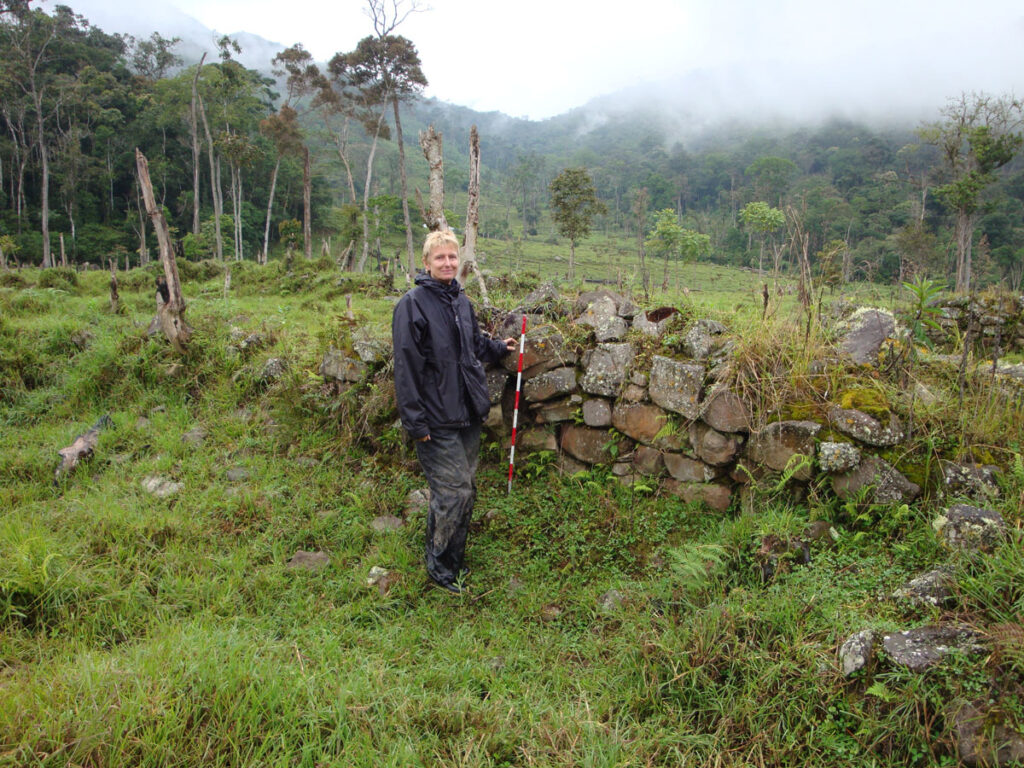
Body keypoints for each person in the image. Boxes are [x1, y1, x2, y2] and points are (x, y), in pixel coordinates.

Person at [392, 230, 516, 593]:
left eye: (451, 257)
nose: (447, 263)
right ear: (426, 263)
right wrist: (416, 423)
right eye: (439, 258)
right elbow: (406, 369)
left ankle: (449, 557)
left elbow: (472, 345)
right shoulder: (412, 305)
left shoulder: (460, 299)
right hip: (435, 418)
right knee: (454, 493)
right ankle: (442, 570)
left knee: (465, 490)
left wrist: (497, 348)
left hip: (466, 412)